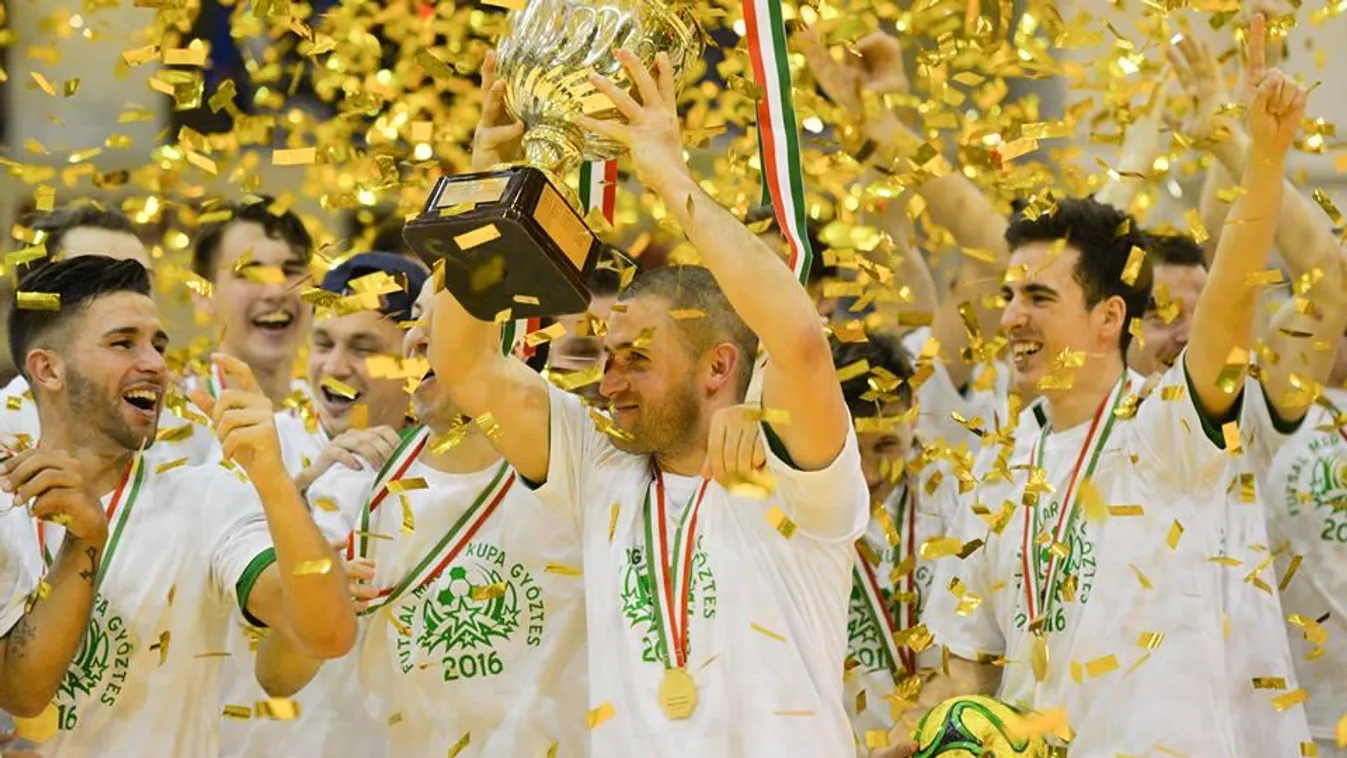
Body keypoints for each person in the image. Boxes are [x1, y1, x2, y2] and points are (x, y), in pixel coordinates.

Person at [429, 49, 868, 756]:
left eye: (637, 359)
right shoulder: (597, 464)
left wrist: (668, 175)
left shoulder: (792, 468)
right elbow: (464, 362)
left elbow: (798, 342)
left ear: (718, 365)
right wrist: (488, 192)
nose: (609, 382)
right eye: (607, 358)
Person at [888, 35, 1308, 757]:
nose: (1011, 317)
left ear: (1109, 316)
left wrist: (1263, 161)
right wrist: (910, 736)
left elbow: (1229, 309)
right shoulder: (996, 467)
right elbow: (968, 666)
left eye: (1039, 298)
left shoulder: (1166, 429)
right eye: (1010, 295)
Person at [6, 256, 356, 756]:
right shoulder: (6, 506)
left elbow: (328, 634)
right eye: (123, 343)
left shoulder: (209, 498)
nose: (154, 363)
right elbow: (17, 695)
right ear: (48, 369)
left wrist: (273, 479)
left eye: (158, 344)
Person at [290, 277, 590, 755]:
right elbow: (278, 676)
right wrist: (314, 594)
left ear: (516, 346)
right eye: (416, 318)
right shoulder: (359, 479)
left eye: (444, 321)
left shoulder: (583, 460)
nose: (416, 336)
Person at [217, 252, 428, 758]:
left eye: (364, 348)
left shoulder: (445, 466)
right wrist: (306, 486)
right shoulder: (257, 447)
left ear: (414, 360)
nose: (334, 367)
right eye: (324, 343)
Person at [0, 206, 217, 469]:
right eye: (98, 279)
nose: (126, 293)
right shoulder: (5, 426)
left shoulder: (196, 426)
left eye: (141, 281)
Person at [189, 197, 314, 408]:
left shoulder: (335, 417)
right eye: (252, 274)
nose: (276, 292)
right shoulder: (173, 419)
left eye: (291, 270)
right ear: (203, 294)